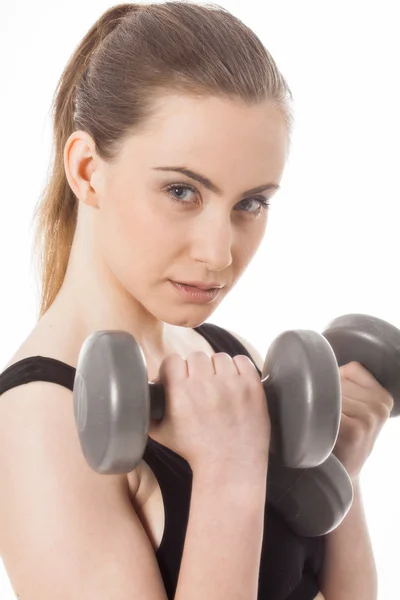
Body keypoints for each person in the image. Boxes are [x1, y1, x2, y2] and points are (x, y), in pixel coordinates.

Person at [0, 3, 326, 599]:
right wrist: (228, 472)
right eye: (182, 190)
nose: (220, 252)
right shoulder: (36, 426)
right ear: (87, 170)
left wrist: (336, 466)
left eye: (251, 203)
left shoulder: (230, 359)